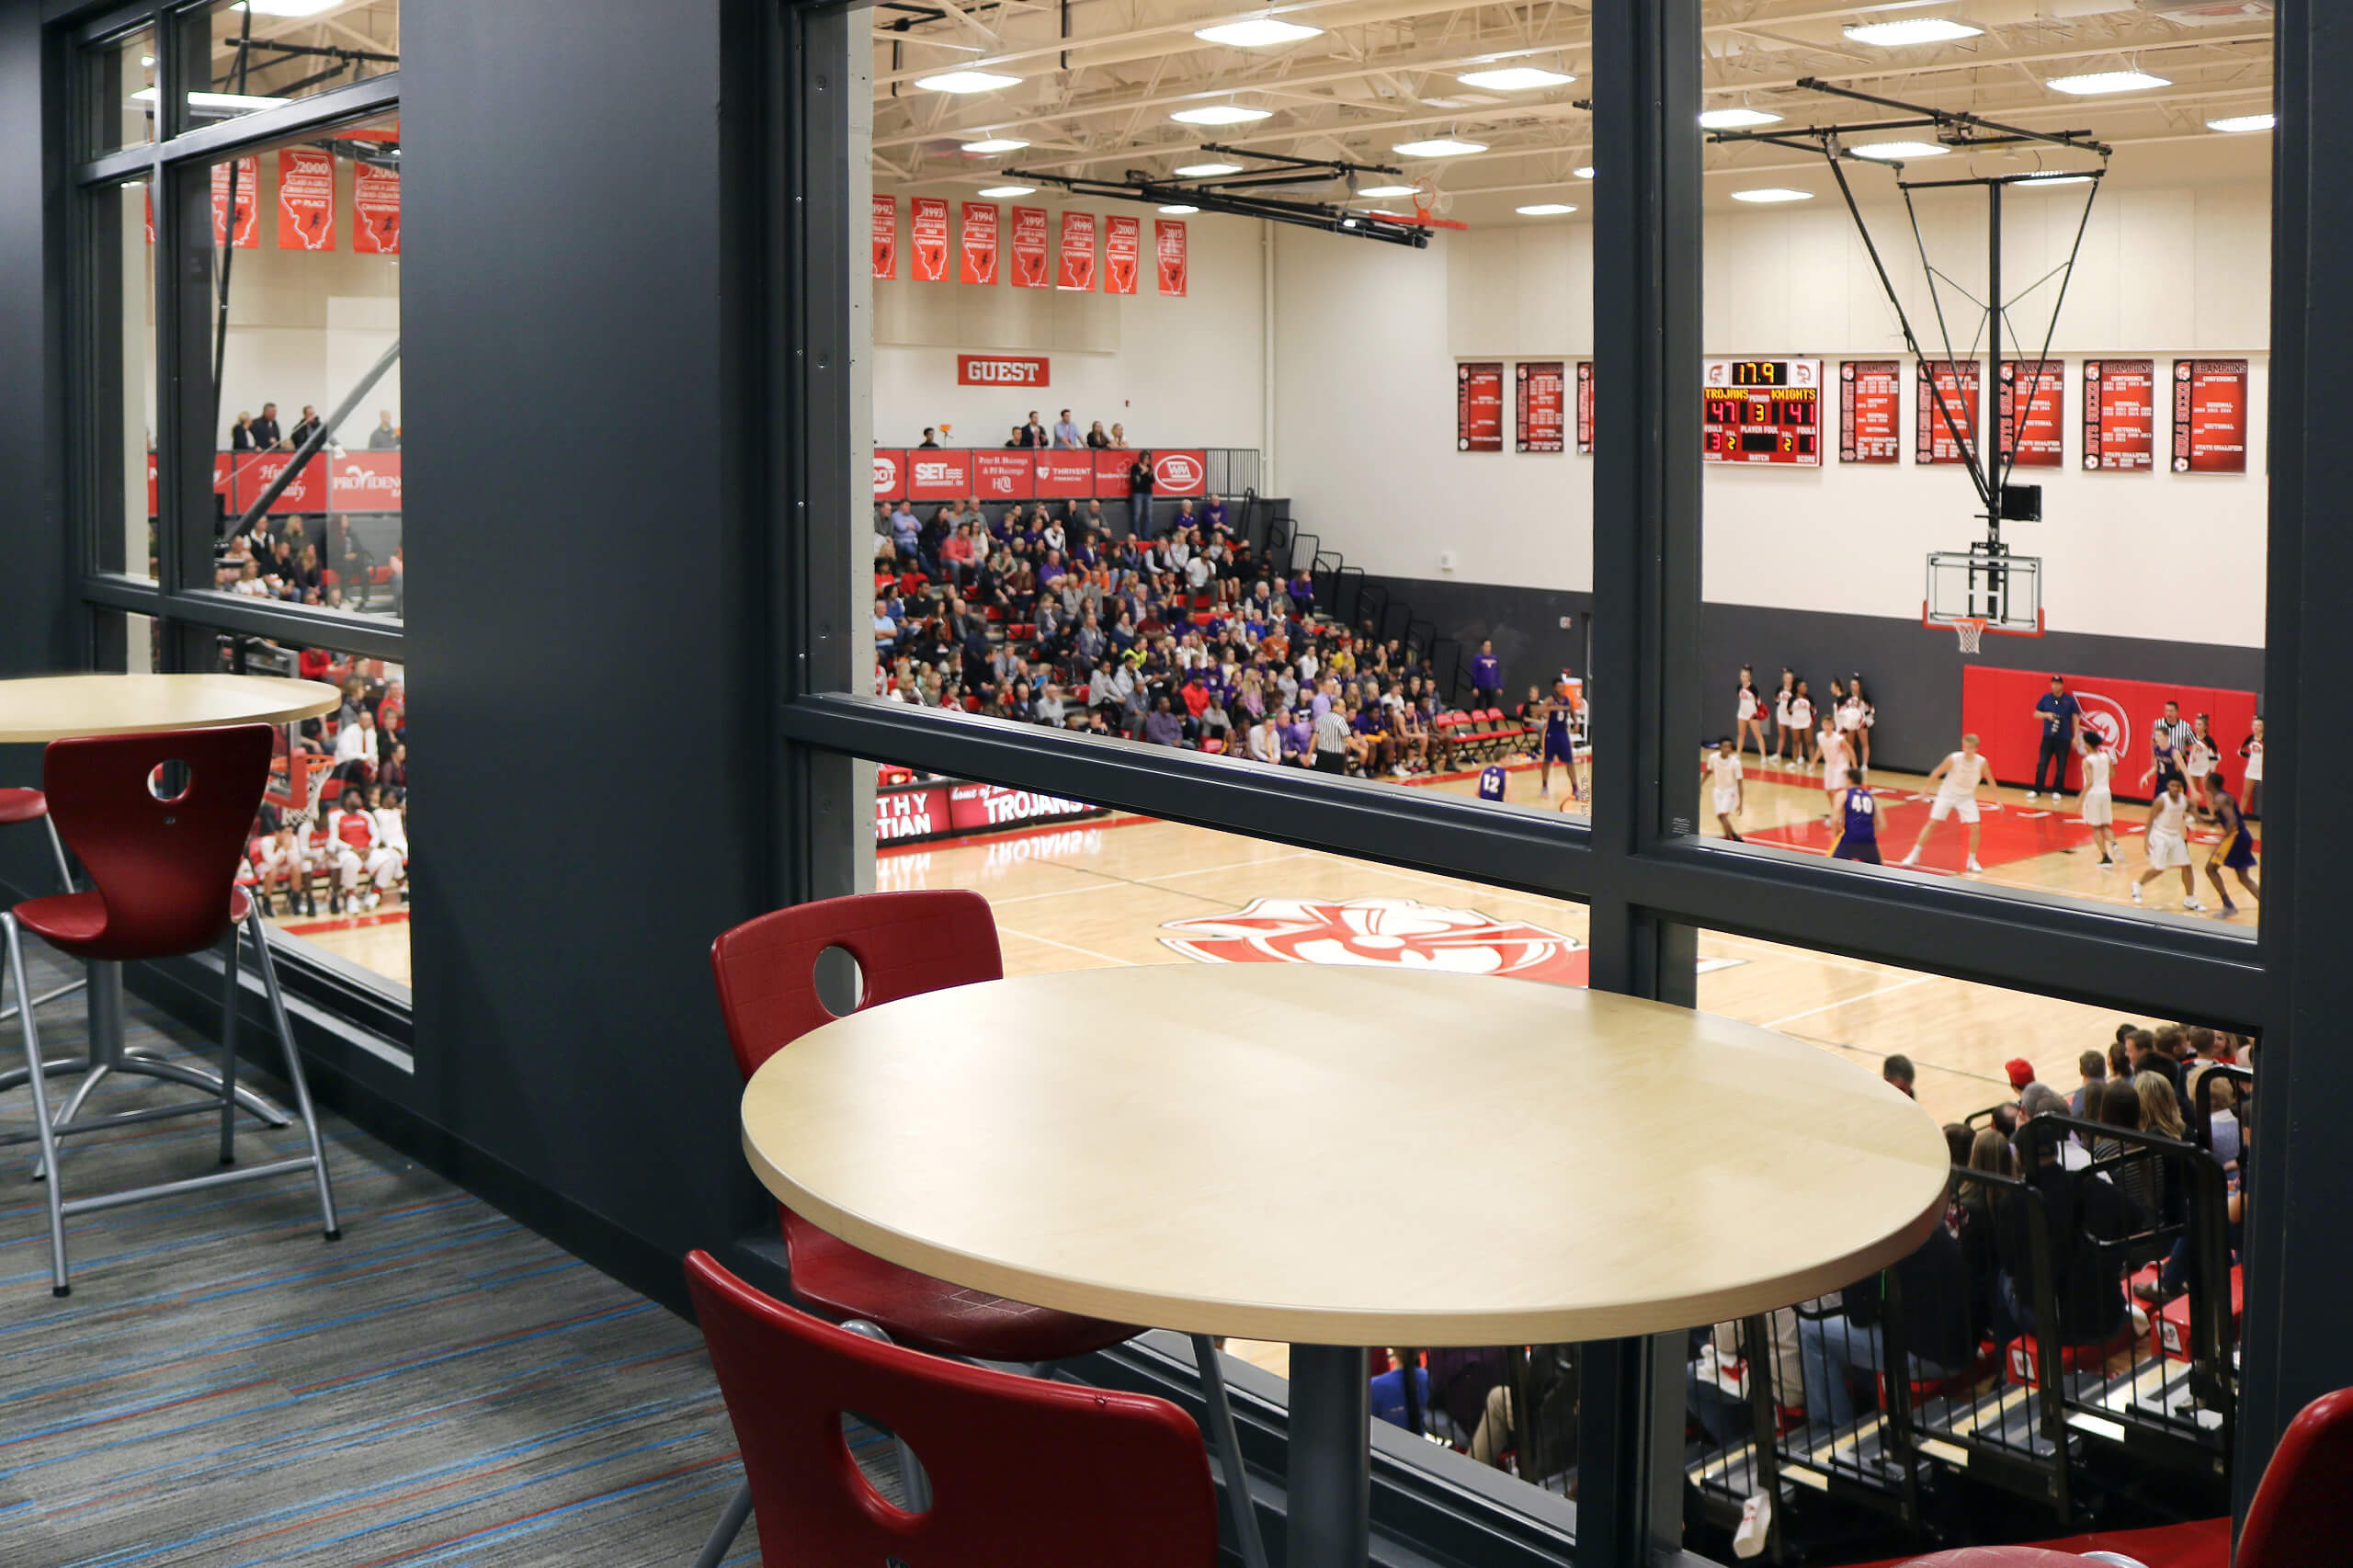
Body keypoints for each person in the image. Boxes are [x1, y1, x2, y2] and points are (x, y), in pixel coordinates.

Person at [1795, 1221, 1970, 1429]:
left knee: (1809, 1330)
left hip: (1931, 1357)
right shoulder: (1926, 1222)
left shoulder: (1879, 1239)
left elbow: (1858, 1316)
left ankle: (1831, 1430)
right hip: (1964, 1345)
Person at [1900, 733, 1995, 874]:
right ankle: (1914, 855)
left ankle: (1972, 860)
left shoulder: (1981, 762)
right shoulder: (1954, 759)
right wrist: (1925, 790)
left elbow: (1990, 779)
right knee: (1933, 823)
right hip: (1947, 793)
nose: (1967, 750)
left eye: (1970, 748)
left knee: (1975, 827)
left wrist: (1998, 800)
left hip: (1966, 797)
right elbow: (1936, 772)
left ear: (1976, 748)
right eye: (1965, 746)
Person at [2131, 774, 2205, 912]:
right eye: (2172, 785)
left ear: (2182, 788)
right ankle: (2138, 885)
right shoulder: (2161, 801)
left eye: (2178, 786)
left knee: (2187, 866)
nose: (2175, 788)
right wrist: (2146, 841)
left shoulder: (2184, 800)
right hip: (2159, 835)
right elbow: (2150, 820)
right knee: (2159, 869)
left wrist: (2196, 814)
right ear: (2168, 786)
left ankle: (2190, 899)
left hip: (2175, 835)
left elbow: (2191, 806)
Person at [2202, 770, 2262, 915]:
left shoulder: (2220, 799)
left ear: (2210, 783)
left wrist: (2220, 843)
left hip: (2235, 837)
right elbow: (2223, 819)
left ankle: (2228, 905)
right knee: (2244, 877)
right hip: (2243, 835)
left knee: (2210, 869)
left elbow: (2232, 821)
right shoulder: (2223, 796)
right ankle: (2269, 907)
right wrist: (2200, 818)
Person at [2027, 675, 2081, 801]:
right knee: (2042, 763)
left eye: (2057, 684)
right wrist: (2047, 715)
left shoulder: (2069, 700)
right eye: (2053, 683)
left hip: (2064, 738)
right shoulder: (2046, 698)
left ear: (2062, 685)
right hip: (2048, 737)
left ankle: (2057, 790)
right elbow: (2035, 713)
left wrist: (2076, 737)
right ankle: (2037, 789)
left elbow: (2075, 718)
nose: (2055, 686)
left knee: (2061, 765)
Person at [2075, 732, 2120, 869]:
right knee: (2106, 824)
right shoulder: (2106, 756)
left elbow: (2089, 781)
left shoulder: (2087, 761)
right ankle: (2114, 844)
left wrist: (2080, 798)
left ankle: (2106, 858)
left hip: (2094, 795)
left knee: (2096, 827)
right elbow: (2113, 774)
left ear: (2088, 745)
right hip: (2106, 792)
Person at [1537, 676, 1582, 802]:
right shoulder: (1551, 700)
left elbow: (1572, 712)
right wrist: (1550, 708)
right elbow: (1537, 711)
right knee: (1547, 761)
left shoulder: (1568, 700)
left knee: (1570, 762)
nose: (1561, 689)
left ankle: (1576, 788)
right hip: (1551, 734)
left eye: (1563, 686)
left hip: (1563, 734)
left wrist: (1576, 723)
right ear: (1554, 688)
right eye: (1559, 686)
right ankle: (1545, 786)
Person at [2143, 699, 2192, 794]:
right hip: (2162, 774)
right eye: (2167, 710)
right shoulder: (2158, 725)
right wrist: (2146, 774)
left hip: (2176, 767)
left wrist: (2193, 790)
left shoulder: (2184, 727)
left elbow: (2191, 742)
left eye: (2171, 711)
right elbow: (2153, 743)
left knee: (2177, 796)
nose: (2168, 713)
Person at [1829, 778, 1881, 864]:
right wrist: (1866, 831)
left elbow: (1834, 819)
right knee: (1878, 872)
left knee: (1833, 867)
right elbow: (1882, 825)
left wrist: (1836, 833)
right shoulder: (1870, 796)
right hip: (1868, 840)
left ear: (1849, 780)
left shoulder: (1844, 794)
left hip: (1850, 837)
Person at [1704, 738, 1744, 842]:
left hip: (1730, 791)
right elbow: (1708, 771)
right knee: (1720, 816)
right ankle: (1734, 836)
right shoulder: (1713, 757)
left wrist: (1741, 803)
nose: (1727, 749)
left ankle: (1728, 838)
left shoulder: (1735, 762)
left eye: (1729, 747)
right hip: (1718, 790)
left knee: (1722, 814)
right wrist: (1700, 784)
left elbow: (1740, 783)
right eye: (1725, 746)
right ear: (1720, 747)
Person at [2183, 713, 2219, 823]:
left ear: (2205, 727)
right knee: (2194, 793)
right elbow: (2184, 750)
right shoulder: (2191, 737)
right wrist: (2191, 755)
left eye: (2199, 724)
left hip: (2204, 769)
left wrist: (2211, 768)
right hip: (2193, 768)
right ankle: (2195, 816)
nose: (2197, 726)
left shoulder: (2209, 740)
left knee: (2208, 793)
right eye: (2196, 724)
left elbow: (2217, 756)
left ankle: (2213, 816)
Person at [1817, 714, 1853, 822]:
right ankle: (1835, 812)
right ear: (1822, 725)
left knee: (1837, 790)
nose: (1827, 726)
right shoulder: (1820, 736)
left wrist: (1854, 766)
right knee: (1828, 791)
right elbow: (1820, 749)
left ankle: (1842, 814)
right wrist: (1814, 762)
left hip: (1840, 765)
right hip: (1829, 765)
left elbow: (1850, 751)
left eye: (1829, 724)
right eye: (1825, 724)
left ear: (1833, 725)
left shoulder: (1838, 738)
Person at [1734, 665, 1767, 765]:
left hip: (1752, 714)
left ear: (1749, 677)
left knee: (1758, 735)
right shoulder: (1739, 687)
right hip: (1742, 714)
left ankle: (1763, 756)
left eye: (1746, 676)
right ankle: (1738, 754)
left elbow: (1758, 702)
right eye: (1742, 676)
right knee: (1741, 735)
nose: (1744, 678)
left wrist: (1757, 713)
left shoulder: (1753, 688)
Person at [2239, 717, 2265, 820]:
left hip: (2263, 769)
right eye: (2254, 725)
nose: (2256, 728)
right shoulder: (2250, 738)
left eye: (2259, 726)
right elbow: (2242, 751)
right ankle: (2239, 817)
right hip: (2252, 768)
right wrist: (2250, 757)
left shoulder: (2265, 738)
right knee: (2246, 793)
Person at [1787, 679, 1816, 768]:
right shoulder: (1792, 698)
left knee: (1810, 742)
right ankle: (1794, 762)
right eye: (1803, 686)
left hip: (1807, 722)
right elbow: (1788, 710)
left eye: (1806, 686)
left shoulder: (1808, 698)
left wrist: (1810, 720)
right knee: (1795, 742)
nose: (1805, 688)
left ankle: (1812, 763)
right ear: (1798, 687)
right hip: (1796, 722)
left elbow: (1814, 710)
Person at [1771, 668, 1798, 765]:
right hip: (1781, 714)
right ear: (1783, 679)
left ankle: (1797, 758)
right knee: (1781, 735)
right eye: (1786, 677)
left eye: (1790, 678)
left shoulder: (1795, 690)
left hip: (1792, 715)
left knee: (1796, 737)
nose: (1788, 679)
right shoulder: (1780, 689)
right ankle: (1778, 755)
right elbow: (1776, 701)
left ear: (1792, 679)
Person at [1127, 449, 1156, 538]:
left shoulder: (1150, 467)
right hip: (1138, 493)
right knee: (1137, 514)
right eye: (1146, 458)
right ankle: (1137, 535)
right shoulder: (1135, 467)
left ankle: (1147, 535)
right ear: (1142, 458)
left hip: (1148, 493)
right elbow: (1135, 480)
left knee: (1148, 515)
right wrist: (1142, 472)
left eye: (1149, 458)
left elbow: (1152, 481)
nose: (1148, 460)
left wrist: (1150, 474)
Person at [2071, 1050, 2108, 1119]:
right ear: (2105, 1070)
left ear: (2081, 1071)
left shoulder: (2081, 1094)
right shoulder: (2116, 1089)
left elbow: (2074, 1119)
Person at [1471, 640, 1502, 711]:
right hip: (1480, 687)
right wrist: (1474, 687)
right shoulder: (1477, 658)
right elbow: (1474, 673)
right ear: (1482, 647)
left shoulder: (1495, 659)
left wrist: (1500, 686)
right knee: (1477, 708)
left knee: (1492, 709)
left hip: (1492, 687)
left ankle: (1493, 723)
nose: (1488, 648)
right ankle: (1474, 722)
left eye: (1489, 646)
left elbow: (1498, 673)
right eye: (1486, 646)